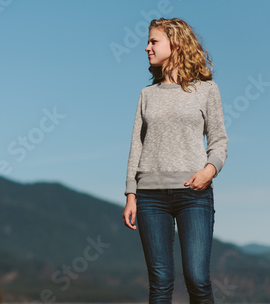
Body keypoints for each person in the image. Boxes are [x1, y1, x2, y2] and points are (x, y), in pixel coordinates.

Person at [122, 18, 228, 304]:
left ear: (175, 43)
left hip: (194, 194)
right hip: (150, 198)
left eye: (153, 41)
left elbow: (219, 141)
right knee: (159, 284)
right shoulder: (147, 95)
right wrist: (131, 193)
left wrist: (209, 170)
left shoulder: (206, 90)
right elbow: (137, 145)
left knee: (198, 278)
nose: (147, 47)